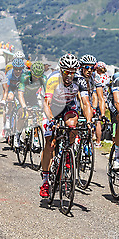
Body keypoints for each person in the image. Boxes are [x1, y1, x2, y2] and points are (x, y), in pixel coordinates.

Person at [39, 54, 92, 197]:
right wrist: (51, 119)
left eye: (72, 71)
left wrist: (88, 121)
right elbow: (47, 103)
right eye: (67, 71)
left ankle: (68, 153)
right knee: (50, 143)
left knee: (73, 125)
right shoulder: (53, 78)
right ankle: (45, 181)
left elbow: (86, 103)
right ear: (61, 70)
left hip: (68, 107)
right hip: (53, 108)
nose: (69, 75)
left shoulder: (80, 80)